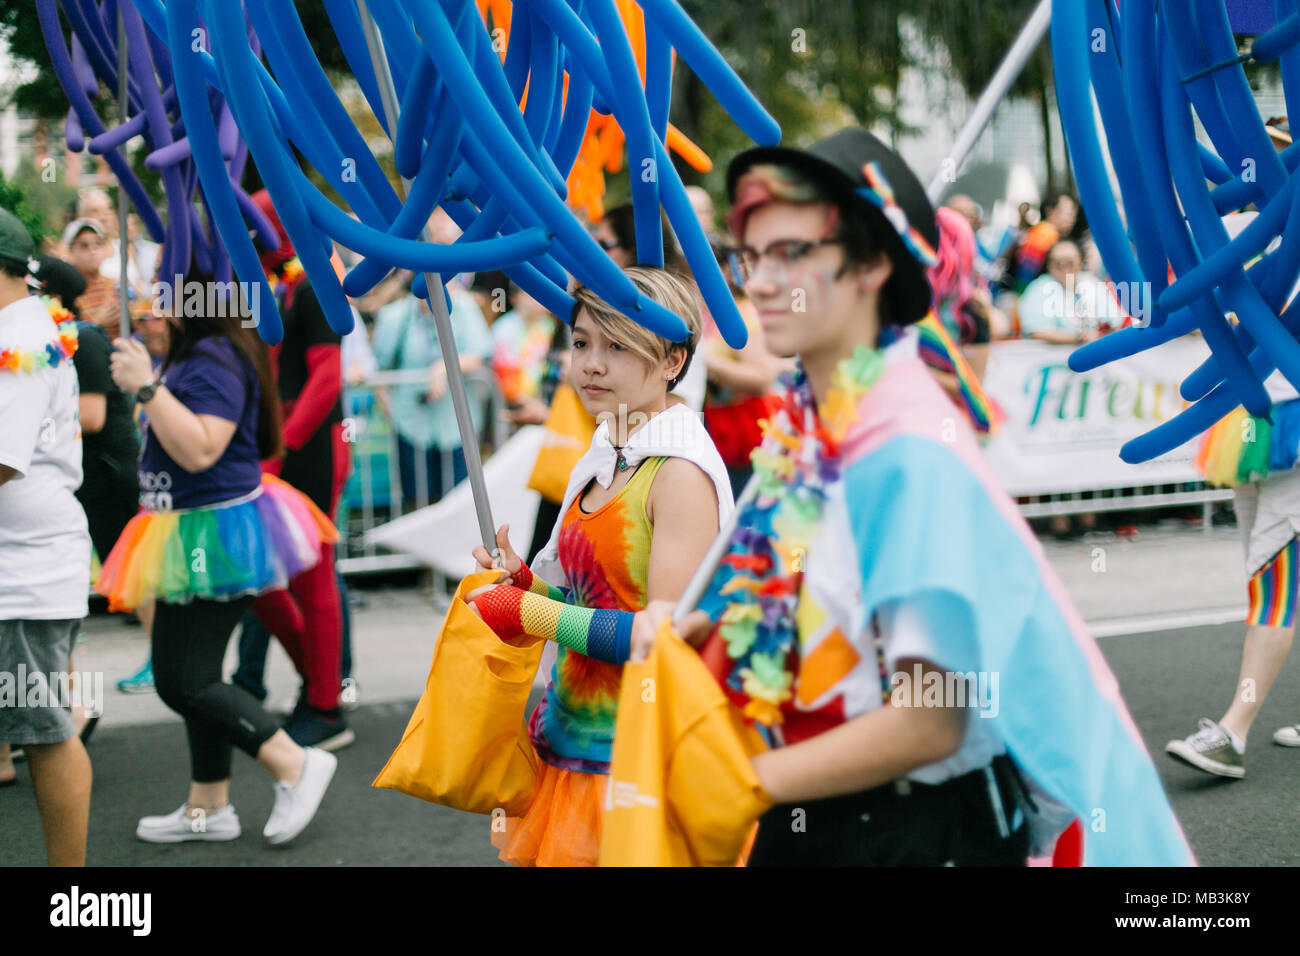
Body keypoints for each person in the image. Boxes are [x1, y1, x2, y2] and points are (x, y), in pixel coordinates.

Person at [632, 128, 1191, 866]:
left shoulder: (906, 450)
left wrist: (742, 780)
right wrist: (707, 631)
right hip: (818, 817)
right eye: (752, 256)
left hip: (912, 832)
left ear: (871, 264)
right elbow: (806, 596)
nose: (761, 281)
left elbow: (932, 721)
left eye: (793, 254)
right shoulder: (807, 428)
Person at [465, 266, 734, 866]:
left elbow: (662, 637)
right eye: (582, 342)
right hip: (574, 742)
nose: (590, 364)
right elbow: (595, 604)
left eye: (617, 346)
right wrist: (527, 585)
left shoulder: (681, 473)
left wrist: (531, 612)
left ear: (671, 361)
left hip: (641, 758)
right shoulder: (604, 458)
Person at [94, 267, 338, 846]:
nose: (152, 301)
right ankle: (209, 806)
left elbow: (204, 446)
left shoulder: (213, 355)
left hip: (213, 535)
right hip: (185, 531)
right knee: (188, 675)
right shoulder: (199, 352)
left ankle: (295, 763)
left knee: (188, 681)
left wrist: (146, 388)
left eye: (163, 288)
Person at [228, 189, 352, 750]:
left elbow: (327, 379)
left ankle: (325, 707)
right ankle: (319, 689)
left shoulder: (314, 283)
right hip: (278, 449)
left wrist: (280, 450)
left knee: (312, 573)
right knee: (259, 576)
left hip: (311, 450)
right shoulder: (281, 282)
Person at [0, 207, 93, 863]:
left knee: (43, 730)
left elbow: (2, 460)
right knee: (38, 726)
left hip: (24, 574)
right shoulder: (28, 325)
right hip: (28, 566)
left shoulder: (20, 339)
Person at [1169, 366, 1300, 777]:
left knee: (1272, 585)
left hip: (1292, 425)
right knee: (1272, 577)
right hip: (1247, 420)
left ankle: (1233, 733)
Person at [371, 255, 493, 511]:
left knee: (460, 503)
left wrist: (443, 368)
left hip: (457, 425)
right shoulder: (395, 316)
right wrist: (392, 415)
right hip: (411, 425)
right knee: (417, 503)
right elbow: (379, 370)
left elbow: (481, 353)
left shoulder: (464, 307)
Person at [62, 218, 117, 331]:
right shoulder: (65, 295)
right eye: (84, 246)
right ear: (70, 252)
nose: (93, 250)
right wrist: (96, 323)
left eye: (98, 244)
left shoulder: (116, 286)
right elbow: (64, 339)